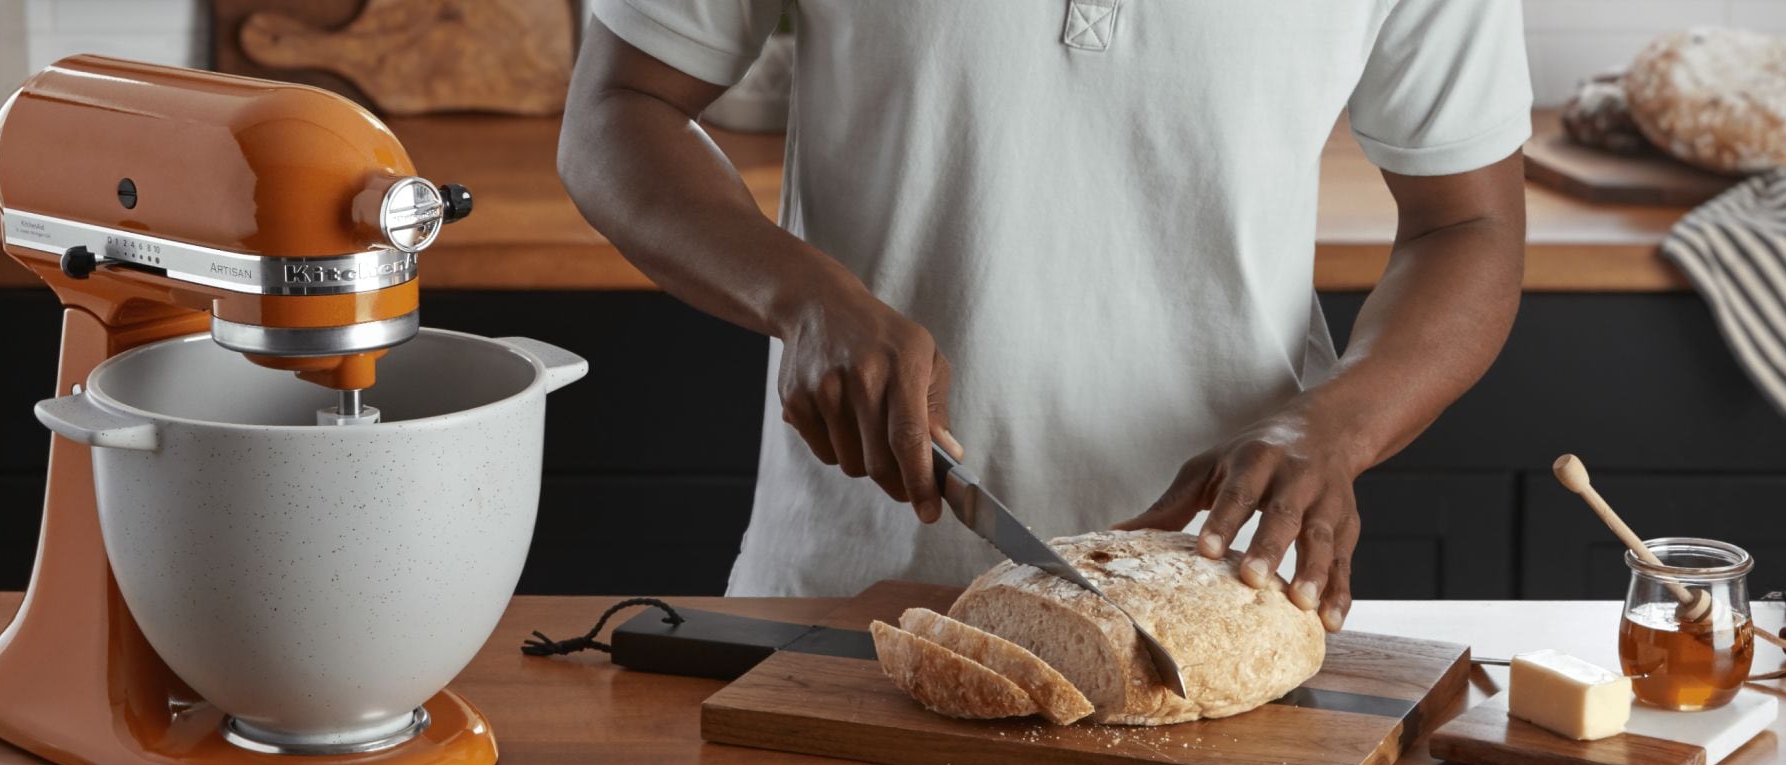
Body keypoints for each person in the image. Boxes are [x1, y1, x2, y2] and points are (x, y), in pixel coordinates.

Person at [560, 0, 1529, 631]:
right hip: (849, 605)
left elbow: (1469, 223)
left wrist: (1339, 424)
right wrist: (804, 296)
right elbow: (619, 106)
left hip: (1219, 615)